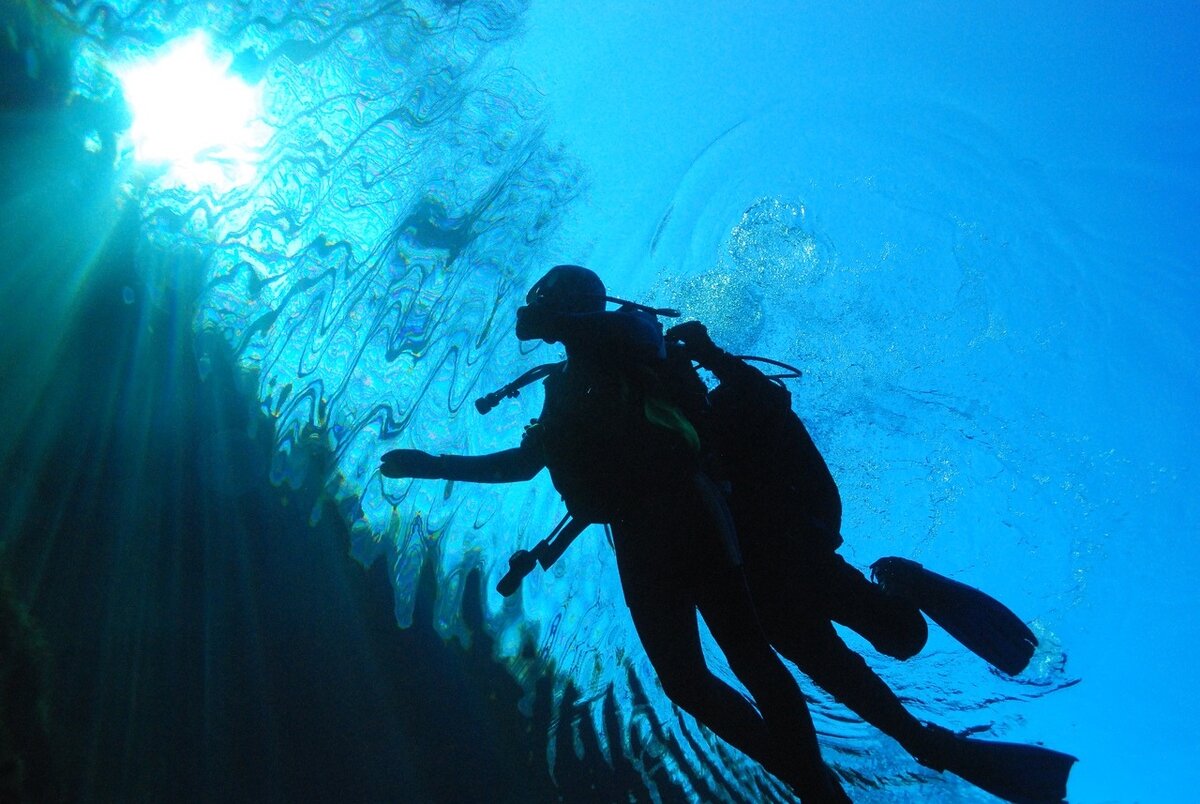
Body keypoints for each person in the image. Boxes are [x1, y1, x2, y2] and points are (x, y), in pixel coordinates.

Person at [381, 265, 850, 802]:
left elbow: (639, 336)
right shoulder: (560, 386)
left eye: (549, 295)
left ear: (576, 301)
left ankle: (815, 786)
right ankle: (811, 783)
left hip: (685, 506)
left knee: (748, 655)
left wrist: (558, 323)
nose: (538, 304)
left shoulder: (631, 333)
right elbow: (524, 464)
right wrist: (434, 465)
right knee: (685, 681)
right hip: (633, 534)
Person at [664, 320, 1076, 803]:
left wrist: (710, 353)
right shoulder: (668, 443)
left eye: (686, 375)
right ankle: (920, 740)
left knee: (905, 638)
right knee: (840, 673)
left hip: (801, 556)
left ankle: (904, 582)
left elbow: (767, 400)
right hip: (759, 593)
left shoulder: (731, 409)